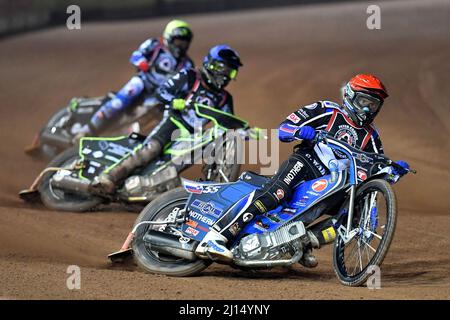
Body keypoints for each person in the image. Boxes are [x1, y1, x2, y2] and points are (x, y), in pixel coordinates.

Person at [196, 74, 410, 266]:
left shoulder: (371, 135)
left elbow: (375, 163)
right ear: (350, 97)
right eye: (364, 102)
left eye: (373, 105)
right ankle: (216, 236)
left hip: (335, 181)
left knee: (350, 218)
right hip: (306, 163)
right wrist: (302, 131)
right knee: (277, 193)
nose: (367, 109)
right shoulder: (327, 110)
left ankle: (302, 243)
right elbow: (284, 129)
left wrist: (392, 169)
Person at [90, 44, 243, 193]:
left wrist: (244, 132)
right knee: (151, 150)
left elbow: (227, 121)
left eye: (232, 72)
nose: (226, 76)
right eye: (225, 70)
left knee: (181, 163)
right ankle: (108, 177)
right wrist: (174, 101)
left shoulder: (224, 98)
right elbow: (162, 91)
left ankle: (153, 187)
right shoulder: (190, 76)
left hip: (193, 136)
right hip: (174, 122)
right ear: (212, 65)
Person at [86, 20, 194, 135]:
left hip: (159, 95)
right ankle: (87, 130)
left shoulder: (187, 64)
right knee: (124, 97)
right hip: (144, 82)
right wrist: (142, 62)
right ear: (169, 38)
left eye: (184, 43)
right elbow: (136, 55)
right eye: (178, 42)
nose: (181, 46)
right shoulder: (155, 44)